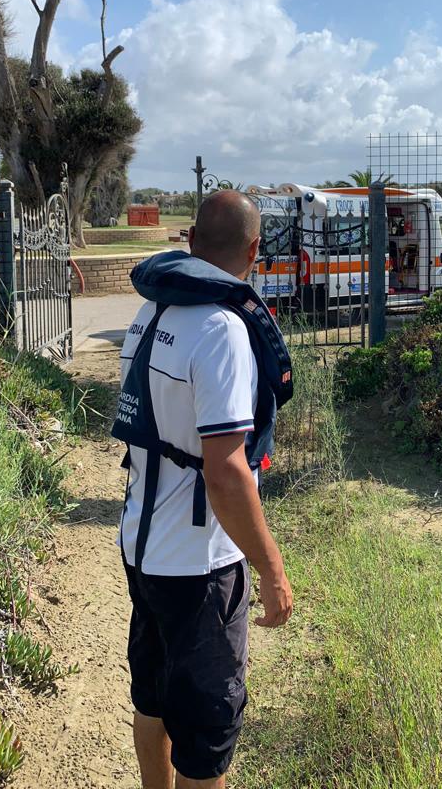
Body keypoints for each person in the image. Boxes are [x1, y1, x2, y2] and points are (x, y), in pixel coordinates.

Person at [118, 190, 293, 789]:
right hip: (199, 569)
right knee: (206, 733)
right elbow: (225, 471)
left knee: (153, 696)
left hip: (141, 549)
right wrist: (271, 570)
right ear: (254, 249)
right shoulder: (222, 329)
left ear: (190, 242)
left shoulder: (150, 314)